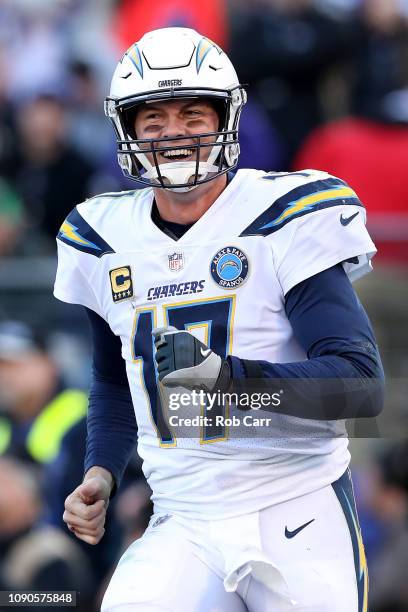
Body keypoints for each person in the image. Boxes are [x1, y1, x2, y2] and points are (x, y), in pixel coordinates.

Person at [54, 27, 384, 612]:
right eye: (152, 118)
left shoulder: (281, 217)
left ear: (224, 118)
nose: (173, 132)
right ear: (127, 131)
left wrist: (227, 384)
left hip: (296, 502)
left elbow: (359, 389)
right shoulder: (100, 236)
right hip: (183, 515)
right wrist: (102, 469)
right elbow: (114, 378)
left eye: (191, 113)